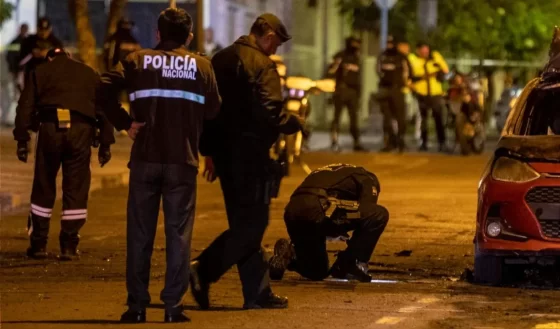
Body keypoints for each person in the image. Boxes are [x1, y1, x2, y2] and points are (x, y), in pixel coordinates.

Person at [98, 8, 221, 323]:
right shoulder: (202, 67)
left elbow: (101, 88)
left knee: (140, 235)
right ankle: (172, 308)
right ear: (189, 36)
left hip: (145, 159)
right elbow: (213, 113)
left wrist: (125, 122)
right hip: (182, 162)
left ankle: (137, 307)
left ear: (157, 34)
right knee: (178, 235)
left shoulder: (137, 61)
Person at [190, 13, 302, 310]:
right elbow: (271, 112)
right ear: (266, 36)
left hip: (225, 155)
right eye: (276, 42)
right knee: (253, 225)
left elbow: (208, 111)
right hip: (251, 156)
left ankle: (257, 293)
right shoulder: (263, 65)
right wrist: (295, 122)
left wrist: (209, 152)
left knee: (243, 224)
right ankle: (204, 268)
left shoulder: (219, 59)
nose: (276, 49)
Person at [13, 48, 114, 261]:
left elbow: (25, 106)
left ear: (50, 58)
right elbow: (104, 108)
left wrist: (22, 139)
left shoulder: (40, 72)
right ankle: (68, 245)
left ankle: (39, 244)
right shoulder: (88, 73)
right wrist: (105, 143)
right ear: (69, 57)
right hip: (81, 130)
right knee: (76, 186)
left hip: (50, 128)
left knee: (44, 183)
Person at [269, 163, 389, 282]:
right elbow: (367, 210)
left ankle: (289, 255)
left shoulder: (336, 172)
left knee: (317, 271)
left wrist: (335, 227)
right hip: (316, 208)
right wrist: (339, 229)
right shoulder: (368, 179)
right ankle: (350, 263)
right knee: (378, 214)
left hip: (292, 213)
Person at [408, 42, 449, 152]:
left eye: (427, 51)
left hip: (435, 92)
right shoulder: (413, 59)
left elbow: (445, 70)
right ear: (418, 51)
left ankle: (442, 143)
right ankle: (423, 143)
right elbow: (414, 74)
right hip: (421, 92)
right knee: (424, 119)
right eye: (423, 51)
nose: (426, 53)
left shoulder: (435, 58)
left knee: (438, 118)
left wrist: (437, 61)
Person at [328, 37, 365, 152]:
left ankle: (356, 142)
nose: (356, 46)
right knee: (337, 118)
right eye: (354, 43)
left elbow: (359, 78)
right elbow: (330, 71)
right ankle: (334, 141)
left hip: (353, 92)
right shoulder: (340, 56)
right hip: (341, 90)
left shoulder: (357, 58)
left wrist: (359, 94)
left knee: (354, 118)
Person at [376, 36, 411, 152]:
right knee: (387, 118)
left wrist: (404, 83)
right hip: (385, 90)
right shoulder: (382, 56)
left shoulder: (402, 58)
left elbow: (409, 73)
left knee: (400, 117)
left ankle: (401, 141)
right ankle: (390, 142)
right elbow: (378, 71)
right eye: (387, 43)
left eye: (391, 43)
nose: (389, 45)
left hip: (397, 90)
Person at [19, 18, 63, 85]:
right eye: (41, 30)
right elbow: (21, 59)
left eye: (46, 30)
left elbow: (62, 60)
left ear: (50, 29)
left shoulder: (56, 43)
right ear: (37, 28)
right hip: (32, 77)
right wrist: (32, 53)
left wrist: (49, 53)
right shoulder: (29, 41)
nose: (43, 33)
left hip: (50, 79)